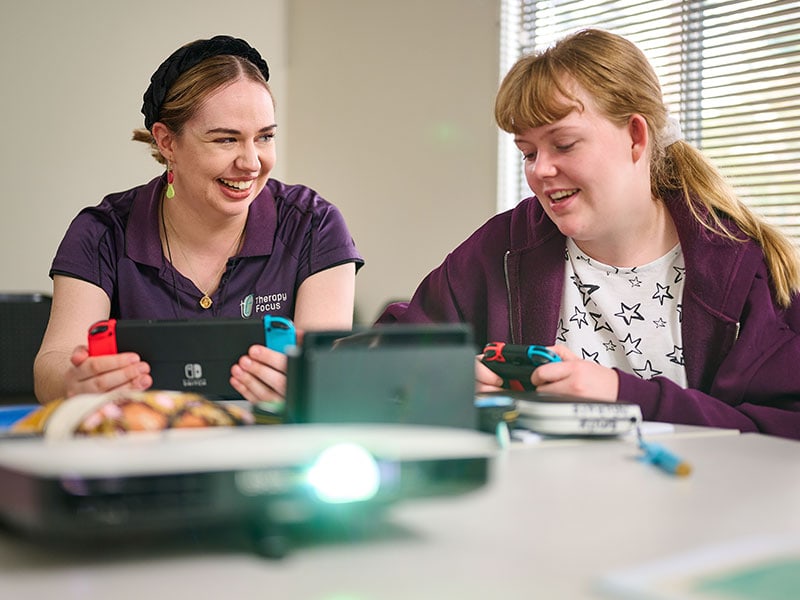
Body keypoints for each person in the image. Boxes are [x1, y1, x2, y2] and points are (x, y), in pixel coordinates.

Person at [378, 28, 800, 439]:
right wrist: (440, 381)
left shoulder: (745, 269)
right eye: (528, 152)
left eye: (563, 145)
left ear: (636, 137)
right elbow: (385, 362)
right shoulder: (502, 248)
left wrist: (621, 394)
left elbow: (783, 428)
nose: (540, 170)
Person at [35, 35, 364, 404]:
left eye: (265, 137)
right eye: (226, 140)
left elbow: (329, 372)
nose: (252, 163)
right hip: (139, 452)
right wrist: (77, 382)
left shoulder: (313, 225)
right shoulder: (101, 232)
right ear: (167, 142)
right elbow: (54, 363)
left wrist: (307, 383)